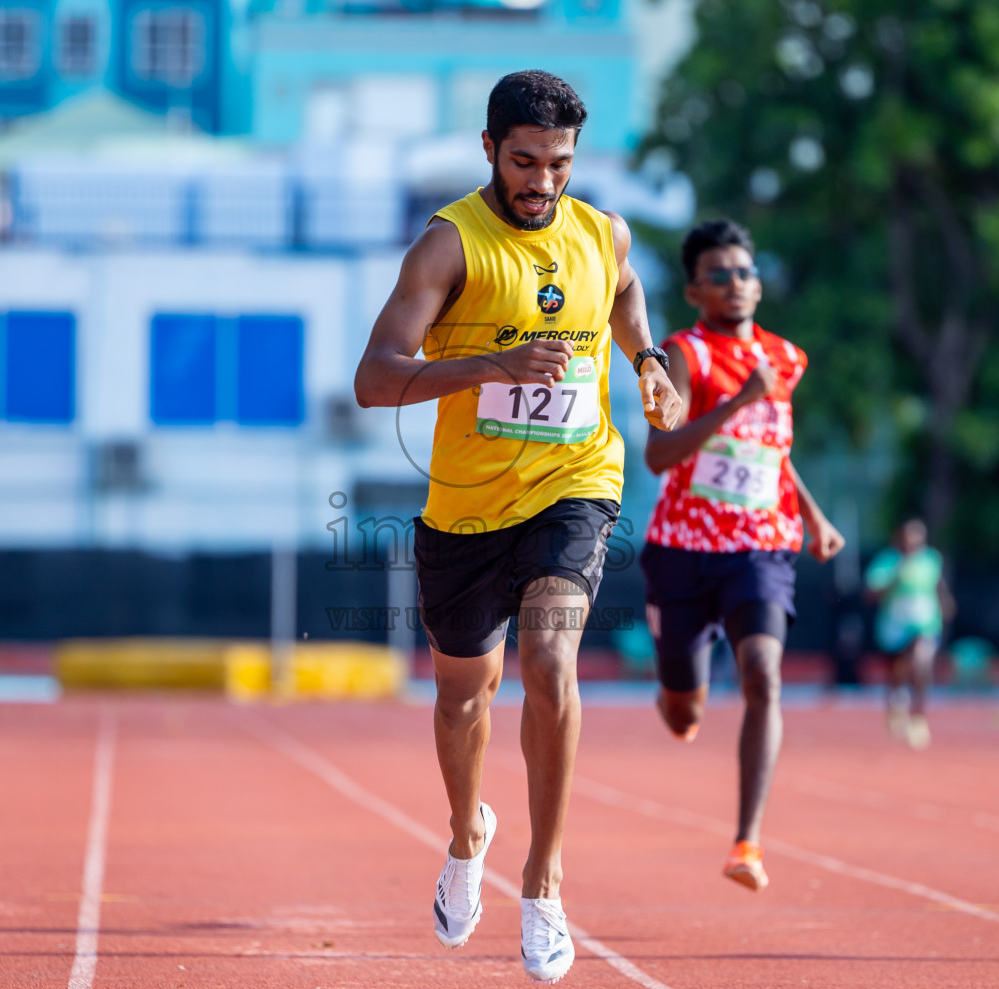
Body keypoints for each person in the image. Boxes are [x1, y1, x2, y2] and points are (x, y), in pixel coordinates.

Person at [353, 70, 682, 984]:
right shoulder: (449, 245)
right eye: (526, 161)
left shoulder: (599, 232)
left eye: (560, 164)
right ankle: (468, 839)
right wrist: (486, 365)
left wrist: (648, 359)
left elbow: (623, 298)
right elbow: (374, 378)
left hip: (575, 481)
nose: (543, 181)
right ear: (491, 150)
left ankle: (544, 880)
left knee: (550, 661)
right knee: (464, 700)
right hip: (463, 506)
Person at [640, 219, 844, 893]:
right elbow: (658, 453)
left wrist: (813, 516)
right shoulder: (679, 356)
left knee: (763, 673)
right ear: (696, 289)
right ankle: (679, 689)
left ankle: (747, 842)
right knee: (683, 713)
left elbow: (773, 452)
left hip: (760, 545)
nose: (737, 284)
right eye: (721, 275)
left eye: (746, 272)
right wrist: (736, 400)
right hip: (683, 549)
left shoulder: (787, 358)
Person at [864, 518, 954, 749]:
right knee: (898, 670)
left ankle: (918, 717)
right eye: (908, 536)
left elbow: (938, 586)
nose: (913, 541)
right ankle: (897, 702)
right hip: (893, 626)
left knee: (922, 662)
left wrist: (946, 603)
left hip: (925, 624)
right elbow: (871, 593)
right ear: (899, 537)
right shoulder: (887, 561)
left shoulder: (931, 560)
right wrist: (898, 574)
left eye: (918, 536)